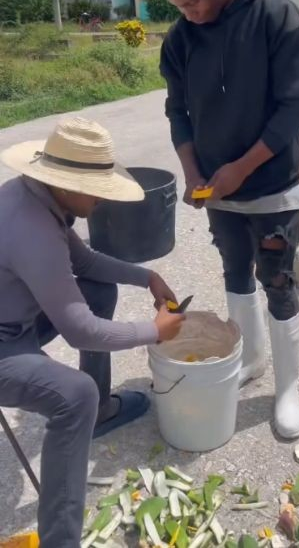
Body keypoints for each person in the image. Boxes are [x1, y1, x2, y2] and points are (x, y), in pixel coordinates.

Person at [158, 0, 299, 439]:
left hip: (270, 182)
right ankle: (251, 357)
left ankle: (288, 388)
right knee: (233, 270)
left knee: (277, 278)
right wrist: (192, 170)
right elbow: (178, 112)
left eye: (194, 1)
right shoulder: (180, 39)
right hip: (218, 190)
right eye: (178, 5)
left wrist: (244, 167)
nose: (188, 12)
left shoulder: (275, 16)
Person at [0, 118, 186, 545]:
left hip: (15, 316)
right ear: (65, 184)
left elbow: (83, 263)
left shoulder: (34, 195)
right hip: (4, 343)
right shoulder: (32, 229)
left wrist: (147, 277)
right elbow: (81, 331)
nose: (104, 198)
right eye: (97, 188)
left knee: (98, 289)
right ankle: (60, 541)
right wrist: (155, 331)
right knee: (74, 395)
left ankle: (102, 410)